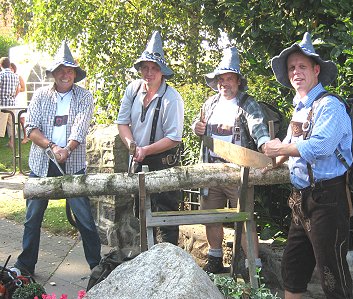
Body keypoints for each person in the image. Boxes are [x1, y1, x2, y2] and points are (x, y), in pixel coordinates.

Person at [263, 32, 353, 299]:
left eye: (302, 66)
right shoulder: (300, 108)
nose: (296, 72)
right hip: (300, 201)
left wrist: (281, 148)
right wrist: (273, 159)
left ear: (316, 70)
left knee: (332, 276)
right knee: (292, 271)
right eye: (292, 68)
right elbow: (291, 146)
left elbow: (320, 147)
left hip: (328, 200)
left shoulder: (331, 106)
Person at [14, 41, 101, 276]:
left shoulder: (84, 96)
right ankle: (25, 266)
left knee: (84, 220)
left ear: (75, 74)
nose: (65, 75)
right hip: (42, 165)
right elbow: (30, 128)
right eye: (61, 70)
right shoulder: (41, 96)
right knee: (32, 219)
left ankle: (97, 266)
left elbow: (80, 128)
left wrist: (67, 149)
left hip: (72, 166)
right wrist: (52, 147)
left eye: (70, 70)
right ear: (53, 73)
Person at [192, 47, 270, 275]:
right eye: (221, 79)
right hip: (211, 171)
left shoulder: (247, 103)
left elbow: (258, 127)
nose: (224, 83)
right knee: (210, 216)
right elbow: (200, 126)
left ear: (237, 81)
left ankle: (253, 268)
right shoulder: (210, 104)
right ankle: (215, 259)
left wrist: (266, 145)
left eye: (229, 78)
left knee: (245, 218)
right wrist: (197, 127)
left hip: (238, 173)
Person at [116, 31, 184, 245]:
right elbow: (122, 122)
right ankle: (146, 261)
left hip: (164, 165)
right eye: (145, 67)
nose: (149, 72)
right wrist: (132, 146)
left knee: (167, 220)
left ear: (162, 71)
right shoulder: (133, 89)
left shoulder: (171, 98)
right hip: (138, 161)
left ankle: (169, 267)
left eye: (154, 68)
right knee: (142, 217)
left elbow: (174, 138)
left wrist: (145, 150)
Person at [0, 57, 20, 148]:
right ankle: (12, 143)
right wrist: (13, 97)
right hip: (12, 103)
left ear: (1, 65)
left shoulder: (1, 75)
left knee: (1, 124)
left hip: (2, 103)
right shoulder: (16, 76)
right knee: (11, 124)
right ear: (9, 65)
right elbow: (17, 90)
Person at [10, 62, 29, 144]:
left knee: (21, 119)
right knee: (12, 120)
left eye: (11, 68)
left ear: (14, 69)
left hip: (19, 100)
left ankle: (26, 137)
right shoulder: (8, 78)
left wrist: (15, 90)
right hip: (12, 101)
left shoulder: (18, 76)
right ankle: (11, 140)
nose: (10, 69)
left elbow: (23, 88)